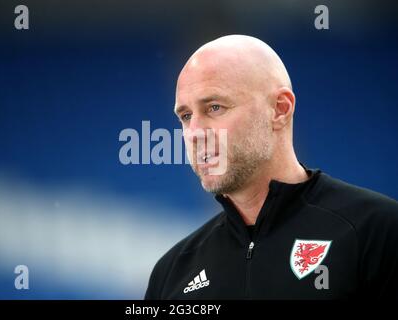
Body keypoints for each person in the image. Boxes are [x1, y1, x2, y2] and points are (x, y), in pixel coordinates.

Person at [144, 35, 398, 299]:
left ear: (279, 109)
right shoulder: (171, 273)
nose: (194, 133)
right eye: (186, 116)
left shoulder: (378, 232)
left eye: (214, 107)